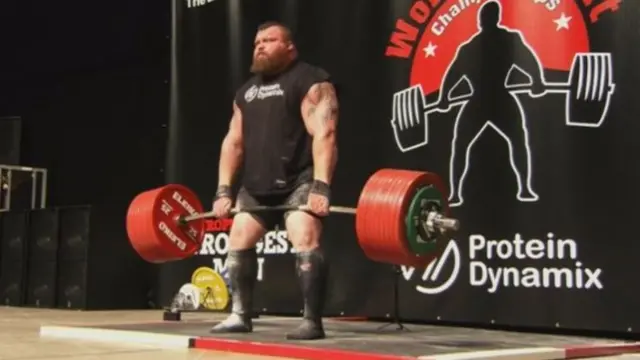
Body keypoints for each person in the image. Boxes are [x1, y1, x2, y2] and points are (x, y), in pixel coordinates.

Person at [209, 21, 339, 341]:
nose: (260, 46)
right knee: (238, 238)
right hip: (256, 184)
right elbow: (233, 142)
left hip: (299, 179)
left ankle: (312, 321)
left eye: (269, 40)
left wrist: (321, 186)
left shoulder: (311, 80)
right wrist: (224, 190)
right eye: (257, 42)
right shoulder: (246, 93)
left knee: (303, 235)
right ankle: (240, 314)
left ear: (289, 46)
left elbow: (325, 133)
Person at [440, 0, 544, 207]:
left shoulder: (499, 40)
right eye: (484, 17)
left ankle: (524, 188)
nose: (484, 20)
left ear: (489, 19)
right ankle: (455, 194)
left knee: (518, 142)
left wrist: (537, 80)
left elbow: (530, 60)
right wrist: (444, 96)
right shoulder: (477, 45)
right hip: (486, 99)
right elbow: (452, 75)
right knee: (461, 146)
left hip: (492, 98)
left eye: (486, 17)